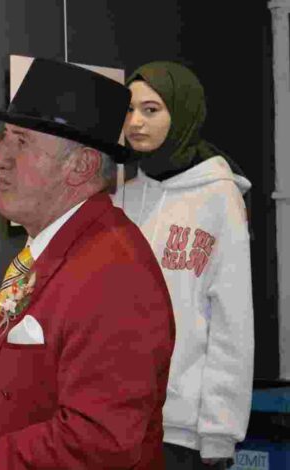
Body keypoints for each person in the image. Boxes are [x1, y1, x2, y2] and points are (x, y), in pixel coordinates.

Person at [0, 58, 175, 470]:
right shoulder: (52, 250)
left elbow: (96, 444)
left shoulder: (115, 272)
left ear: (82, 166)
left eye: (21, 142)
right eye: (5, 140)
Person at [116, 61, 254, 470]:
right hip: (121, 420)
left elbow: (232, 321)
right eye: (129, 109)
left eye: (151, 109)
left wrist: (219, 433)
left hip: (186, 430)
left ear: (182, 113)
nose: (135, 121)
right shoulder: (123, 197)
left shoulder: (219, 197)